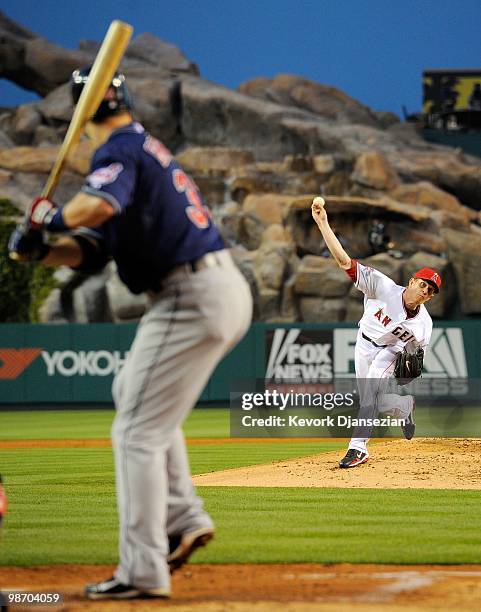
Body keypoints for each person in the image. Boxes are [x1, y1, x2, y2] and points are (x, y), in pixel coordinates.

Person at [8, 67, 253, 600]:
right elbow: (92, 249)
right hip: (209, 288)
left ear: (81, 112)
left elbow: (94, 205)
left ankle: (143, 570)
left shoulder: (119, 147)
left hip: (190, 294)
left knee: (134, 431)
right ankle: (184, 517)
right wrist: (42, 249)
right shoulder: (141, 147)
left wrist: (48, 219)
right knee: (138, 406)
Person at [311, 197, 440, 468]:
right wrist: (323, 223)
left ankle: (358, 448)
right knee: (373, 401)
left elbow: (416, 360)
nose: (425, 291)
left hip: (388, 352)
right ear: (412, 281)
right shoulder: (381, 286)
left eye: (430, 291)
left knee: (369, 397)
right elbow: (344, 261)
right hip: (363, 344)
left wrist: (409, 368)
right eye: (423, 285)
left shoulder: (423, 325)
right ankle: (403, 407)